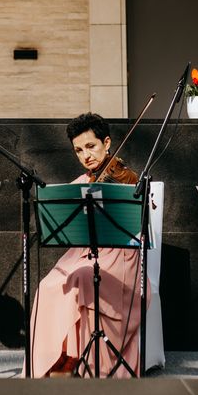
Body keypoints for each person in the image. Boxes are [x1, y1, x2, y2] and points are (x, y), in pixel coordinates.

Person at [30, 112, 147, 378]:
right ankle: (62, 359)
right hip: (84, 252)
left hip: (119, 254)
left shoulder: (126, 178)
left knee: (83, 279)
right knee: (48, 286)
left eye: (91, 146)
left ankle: (92, 364)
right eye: (79, 150)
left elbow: (140, 218)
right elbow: (61, 207)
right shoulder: (83, 181)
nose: (86, 156)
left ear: (107, 143)